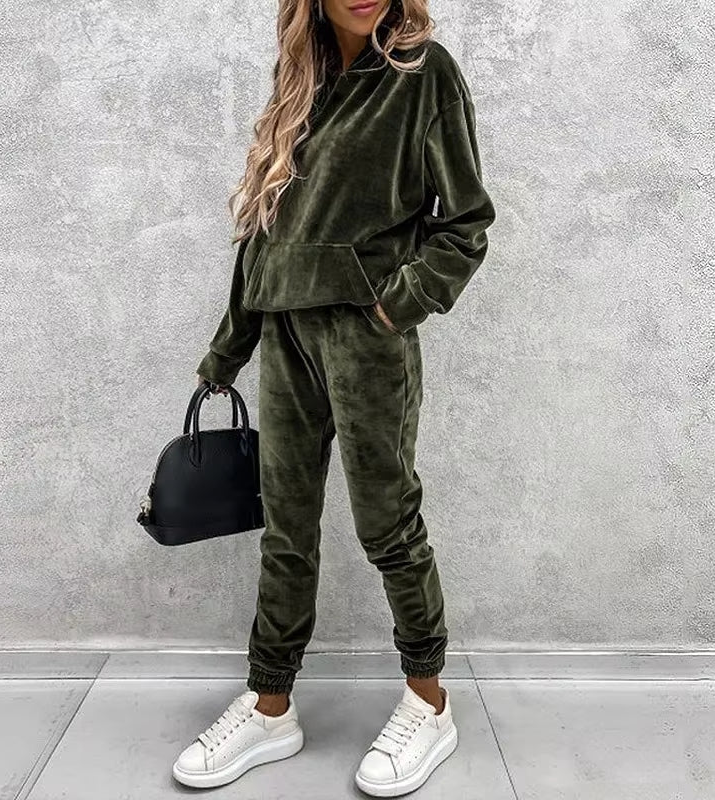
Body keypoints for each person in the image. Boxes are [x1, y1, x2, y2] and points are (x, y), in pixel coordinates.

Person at [173, 0, 495, 795]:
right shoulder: (301, 79)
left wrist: (393, 305)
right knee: (287, 528)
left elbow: (465, 223)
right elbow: (265, 236)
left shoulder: (423, 74)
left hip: (365, 338)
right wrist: (229, 347)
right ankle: (271, 705)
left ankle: (429, 700)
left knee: (387, 522)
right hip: (285, 334)